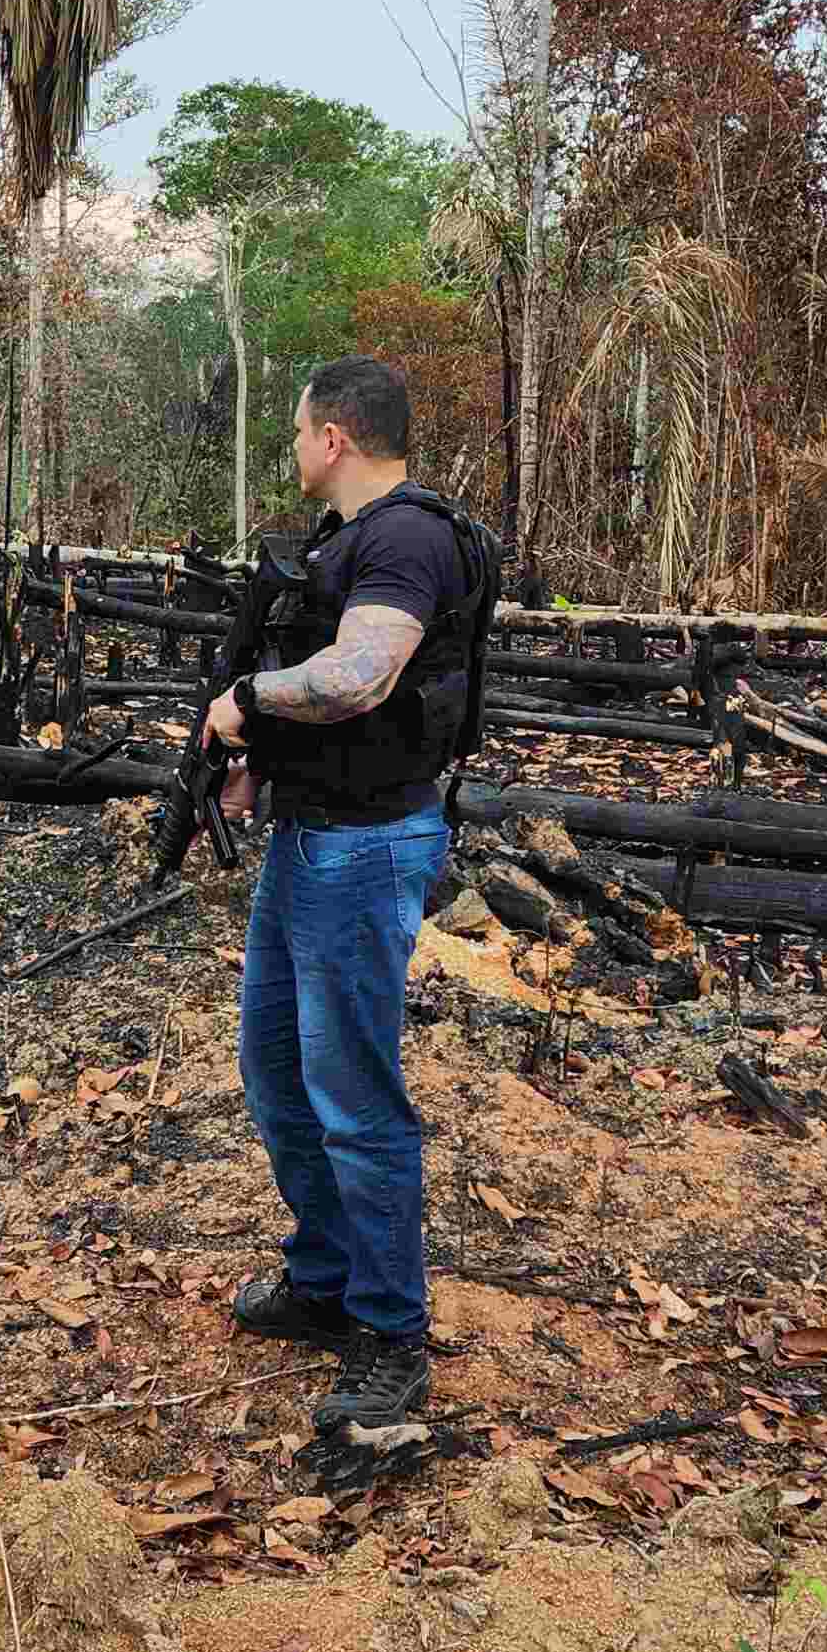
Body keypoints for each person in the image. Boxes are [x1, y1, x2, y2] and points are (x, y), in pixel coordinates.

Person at [201, 355, 490, 1452]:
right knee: (278, 1071)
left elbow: (361, 676)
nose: (293, 448)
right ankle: (327, 1277)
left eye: (296, 430)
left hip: (365, 849)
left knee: (356, 1097)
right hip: (309, 837)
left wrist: (245, 701)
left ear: (334, 436)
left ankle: (391, 1333)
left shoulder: (405, 537)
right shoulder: (344, 543)